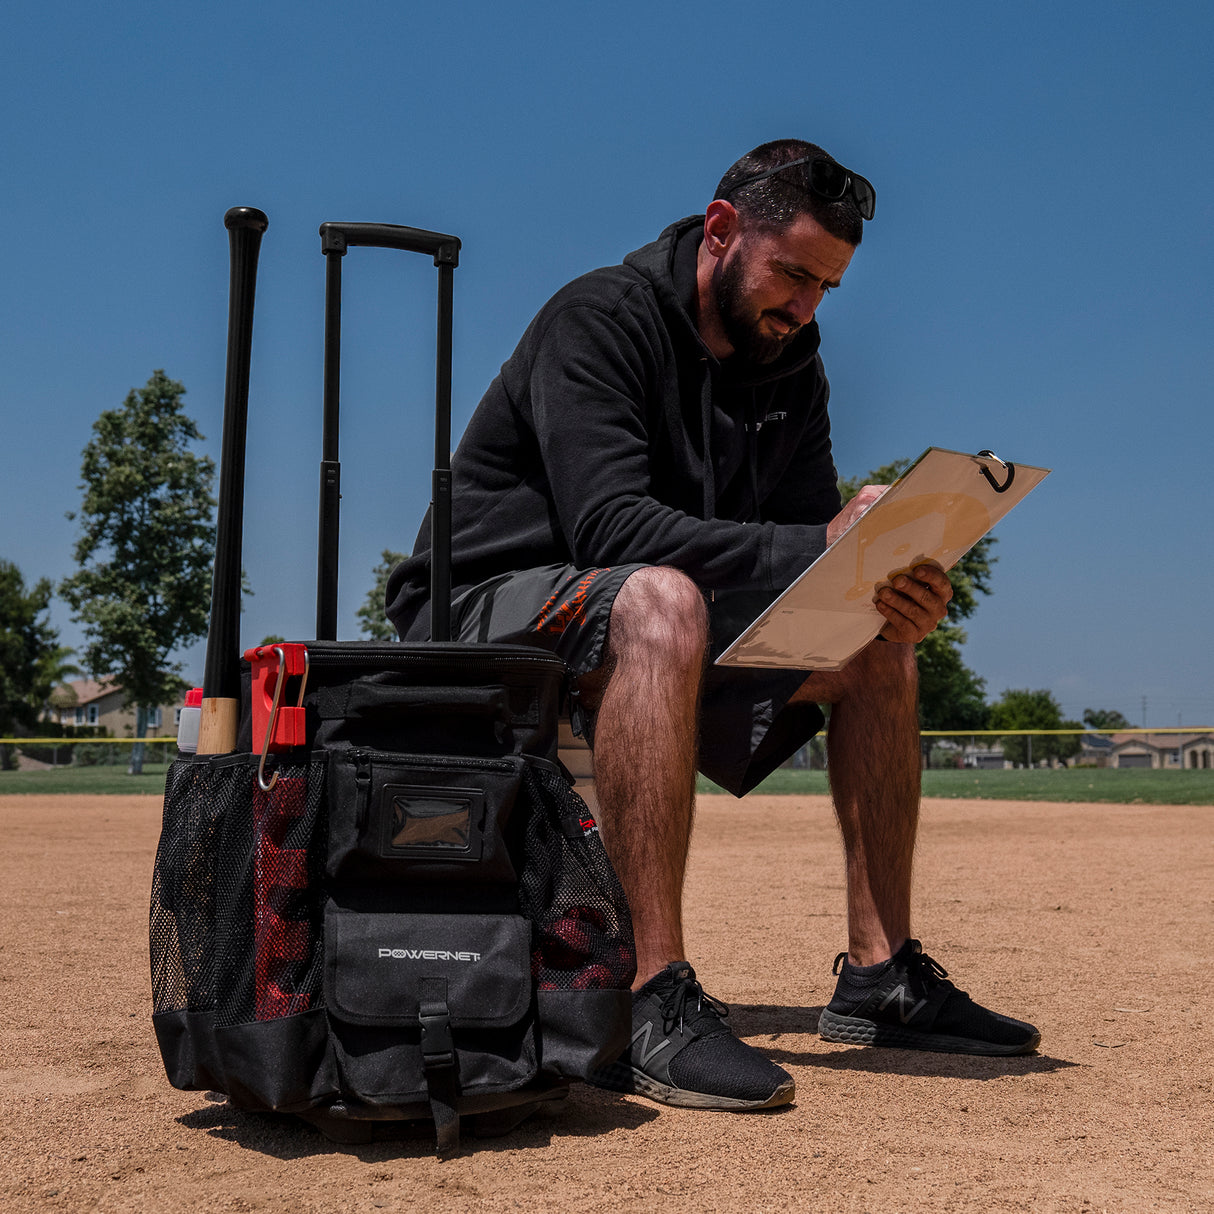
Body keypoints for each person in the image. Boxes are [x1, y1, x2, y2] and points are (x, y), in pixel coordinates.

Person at [386, 139, 1040, 1113]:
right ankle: (644, 996)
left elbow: (805, 560)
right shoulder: (597, 319)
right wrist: (821, 542)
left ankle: (880, 974)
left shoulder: (791, 368)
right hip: (480, 610)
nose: (806, 306)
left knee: (870, 643)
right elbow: (611, 528)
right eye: (792, 274)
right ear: (722, 231)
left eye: (826, 287)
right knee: (660, 597)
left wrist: (877, 589)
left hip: (645, 618)